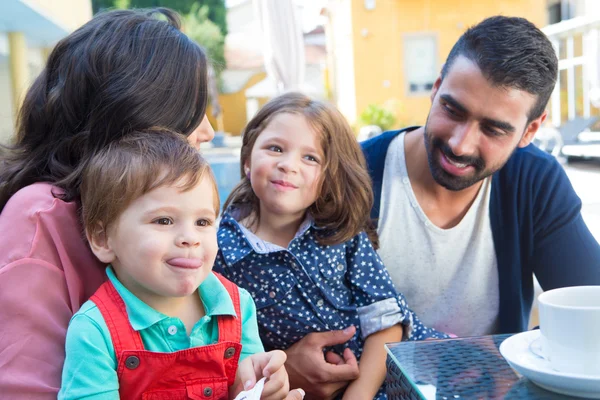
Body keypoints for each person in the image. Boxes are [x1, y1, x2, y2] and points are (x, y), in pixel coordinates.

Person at [0, 8, 211, 398]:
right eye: (192, 111)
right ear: (137, 111)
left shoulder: (176, 211)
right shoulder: (40, 216)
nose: (208, 131)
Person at [361, 16, 600, 338]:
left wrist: (512, 358)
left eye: (493, 129)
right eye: (453, 110)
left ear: (530, 130)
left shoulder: (534, 181)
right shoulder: (355, 172)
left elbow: (591, 310)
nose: (460, 144)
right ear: (436, 88)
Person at [214, 92, 445, 400]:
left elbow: (388, 321)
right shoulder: (219, 251)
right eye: (275, 148)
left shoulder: (340, 232)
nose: (288, 165)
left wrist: (358, 396)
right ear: (247, 160)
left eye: (310, 157)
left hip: (394, 374)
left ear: (327, 177)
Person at [58, 131, 296, 400]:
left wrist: (261, 387)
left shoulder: (238, 307)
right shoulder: (94, 332)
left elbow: (246, 386)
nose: (190, 238)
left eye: (203, 222)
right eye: (163, 221)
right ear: (103, 239)